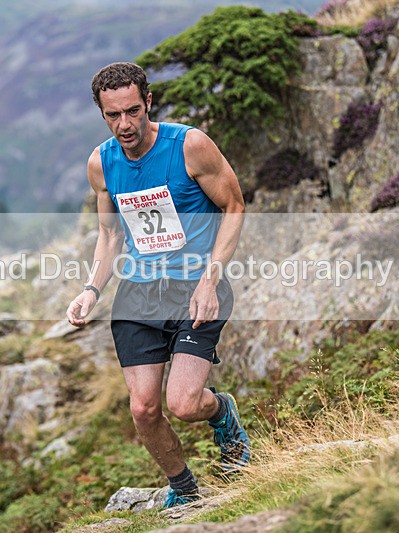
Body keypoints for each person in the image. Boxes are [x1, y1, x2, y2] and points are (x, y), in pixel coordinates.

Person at [66, 62, 249, 508]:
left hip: (195, 288)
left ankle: (223, 413)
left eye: (133, 111)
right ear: (101, 114)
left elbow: (235, 206)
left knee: (184, 404)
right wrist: (91, 289)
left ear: (148, 102)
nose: (125, 125)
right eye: (113, 115)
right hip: (138, 294)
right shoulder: (101, 164)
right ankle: (184, 490)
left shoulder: (189, 146)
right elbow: (109, 235)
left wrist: (210, 279)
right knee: (144, 409)